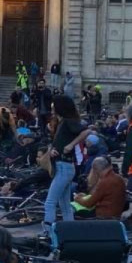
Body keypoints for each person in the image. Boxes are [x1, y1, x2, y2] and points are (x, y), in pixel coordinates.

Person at [44, 95, 89, 233]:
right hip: (64, 166)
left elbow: (86, 131)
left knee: (50, 202)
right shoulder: (64, 122)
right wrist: (52, 150)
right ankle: (71, 231)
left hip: (64, 166)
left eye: (54, 106)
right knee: (64, 205)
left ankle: (47, 232)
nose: (52, 109)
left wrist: (70, 145)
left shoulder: (68, 121)